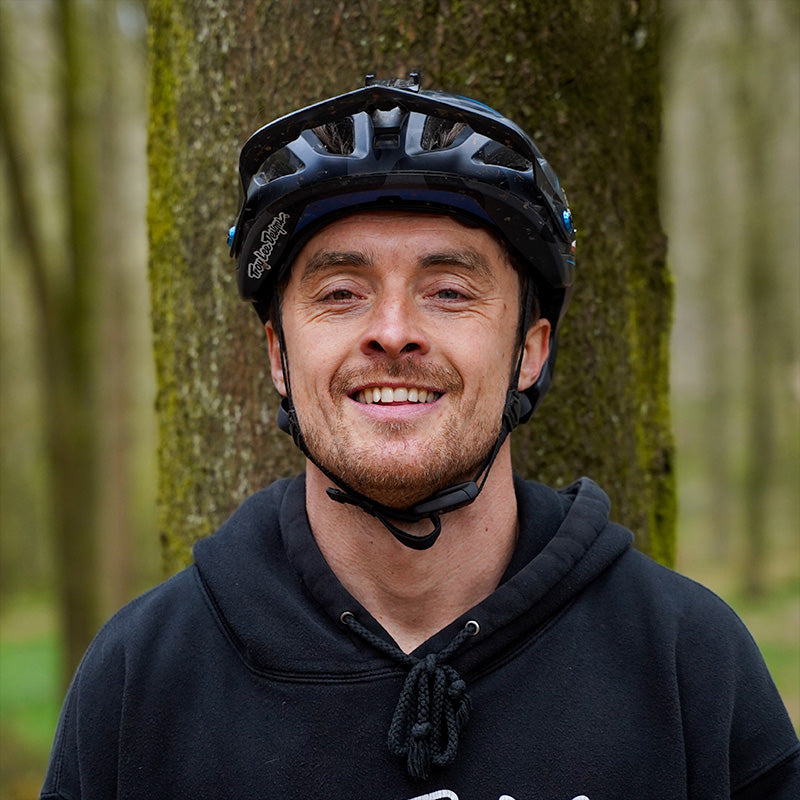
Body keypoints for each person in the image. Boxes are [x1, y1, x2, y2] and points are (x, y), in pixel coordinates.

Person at [41, 75, 798, 799]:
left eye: (448, 292)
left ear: (529, 352)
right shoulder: (141, 679)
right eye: (341, 293)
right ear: (278, 356)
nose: (393, 333)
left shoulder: (689, 662)